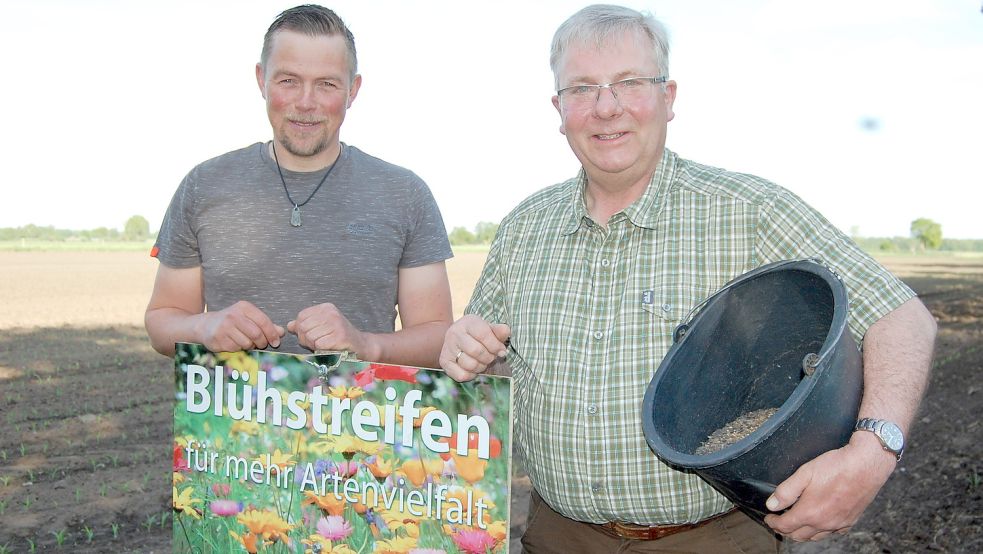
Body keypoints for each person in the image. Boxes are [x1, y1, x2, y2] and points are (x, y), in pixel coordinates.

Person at [440, 4, 937, 552]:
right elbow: (481, 360)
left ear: (668, 98)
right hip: (557, 534)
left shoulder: (751, 212)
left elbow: (901, 316)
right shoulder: (522, 229)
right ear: (557, 108)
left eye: (629, 82)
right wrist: (467, 351)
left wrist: (872, 453)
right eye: (582, 89)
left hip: (712, 537)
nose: (606, 108)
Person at [146, 5, 453, 368]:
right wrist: (204, 327)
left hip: (358, 416)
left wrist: (367, 345)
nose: (306, 103)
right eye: (288, 80)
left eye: (327, 84)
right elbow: (161, 321)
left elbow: (437, 337)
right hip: (228, 424)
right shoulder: (203, 185)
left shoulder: (405, 194)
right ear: (262, 80)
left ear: (353, 90)